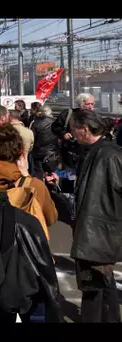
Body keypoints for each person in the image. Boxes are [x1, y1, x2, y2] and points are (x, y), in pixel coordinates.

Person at [0, 123, 60, 323]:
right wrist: (26, 176)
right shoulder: (34, 186)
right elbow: (51, 218)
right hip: (31, 270)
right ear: (20, 153)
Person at [67, 109, 122, 323]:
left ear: (85, 129)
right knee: (100, 284)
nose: (72, 134)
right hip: (97, 230)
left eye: (74, 129)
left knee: (93, 287)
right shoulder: (98, 152)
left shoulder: (110, 154)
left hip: (98, 231)